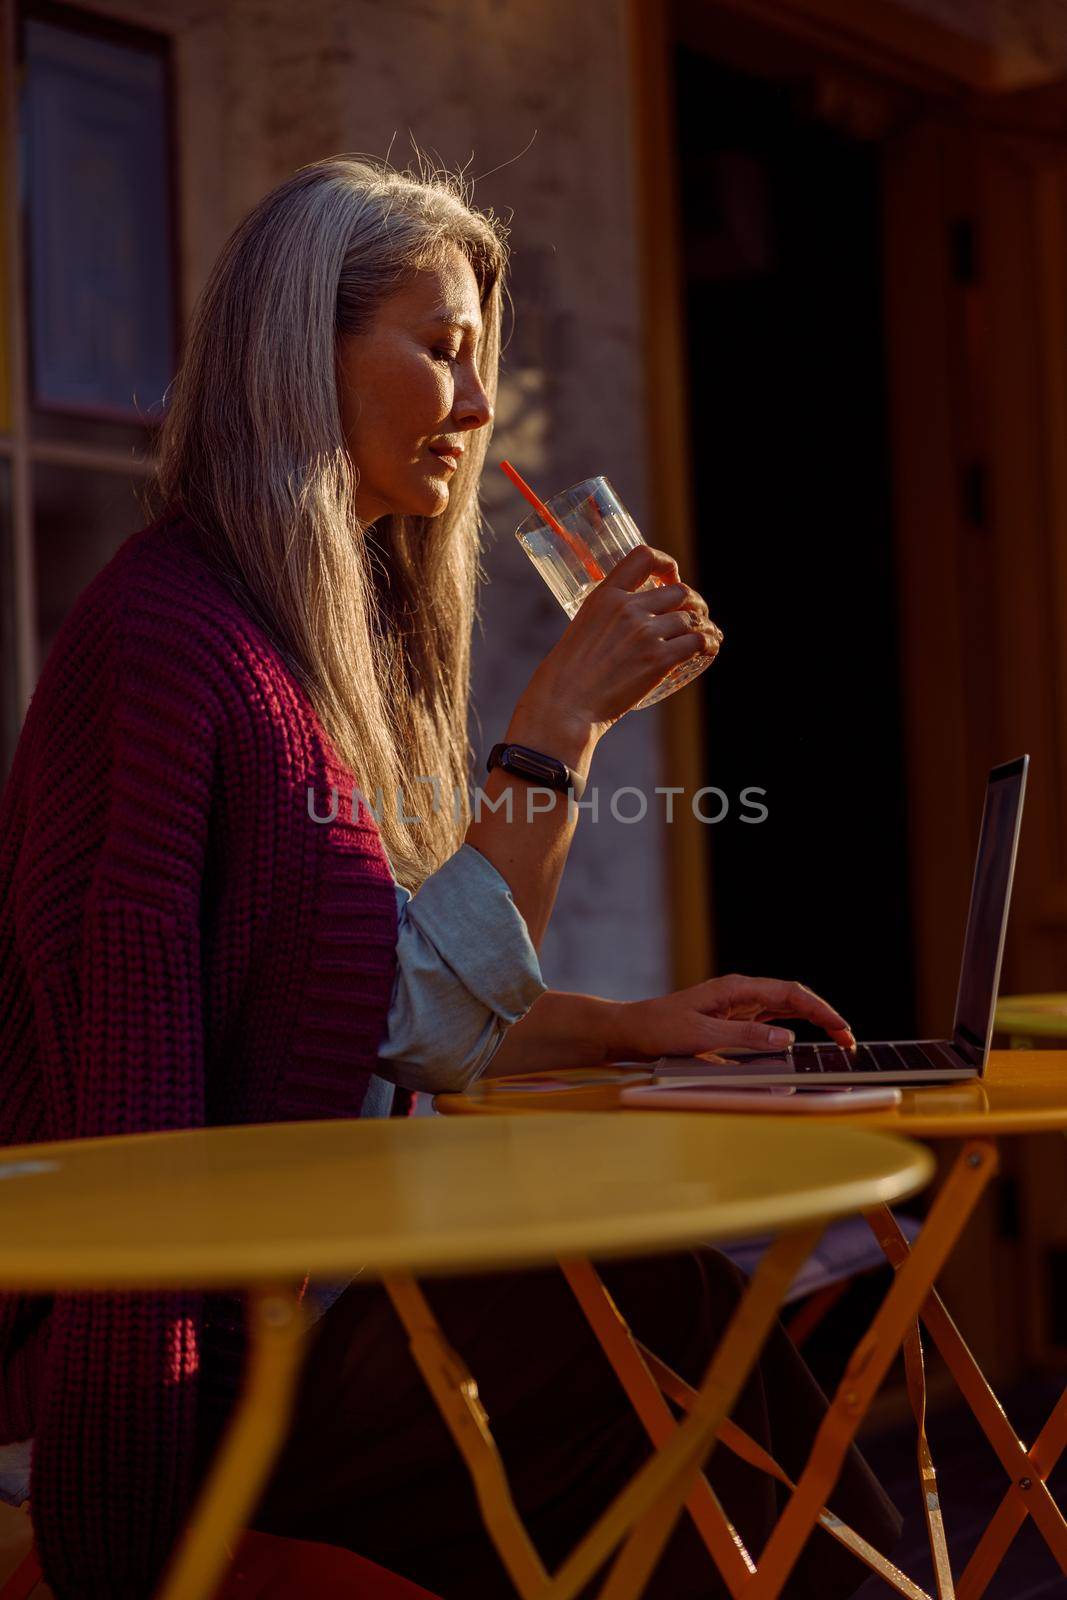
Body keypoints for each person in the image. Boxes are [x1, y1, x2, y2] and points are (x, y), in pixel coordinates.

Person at [0, 153, 897, 1597]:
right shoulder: (183, 641)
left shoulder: (287, 630)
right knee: (637, 1346)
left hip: (310, 1286)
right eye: (444, 352)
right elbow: (402, 1018)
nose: (479, 411)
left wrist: (628, 1026)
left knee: (708, 1289)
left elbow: (353, 986)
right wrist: (560, 723)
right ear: (306, 353)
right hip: (207, 1356)